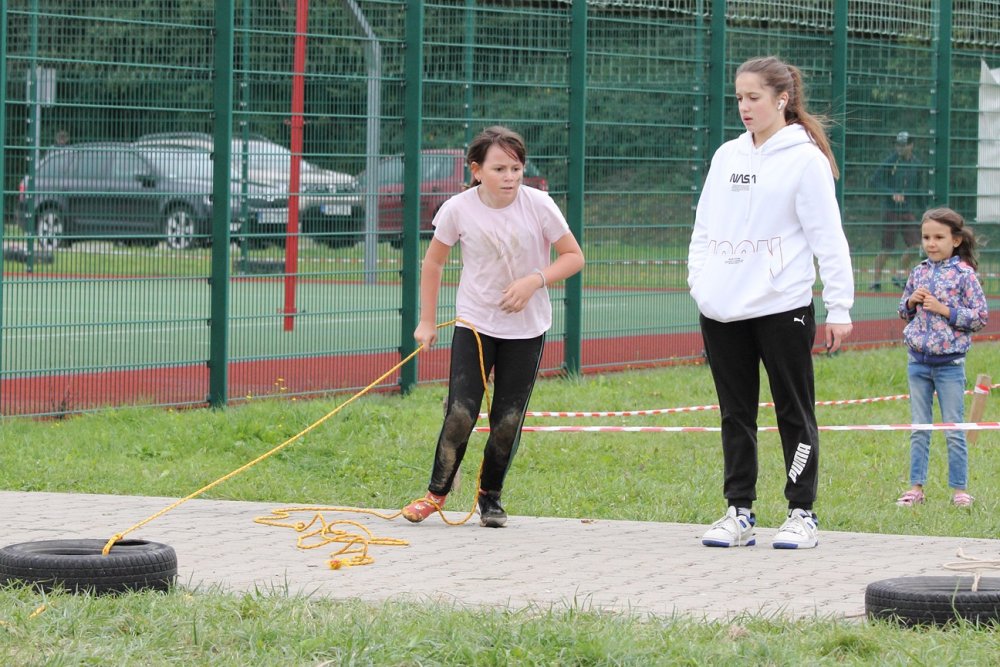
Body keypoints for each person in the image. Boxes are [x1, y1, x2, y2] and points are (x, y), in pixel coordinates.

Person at [687, 56, 855, 550]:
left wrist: (839, 307)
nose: (744, 106)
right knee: (734, 413)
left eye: (753, 97)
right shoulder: (727, 156)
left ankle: (801, 513)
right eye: (739, 97)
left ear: (782, 99)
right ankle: (738, 511)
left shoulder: (805, 160)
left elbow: (829, 238)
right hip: (722, 311)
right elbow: (703, 227)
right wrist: (701, 284)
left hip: (783, 309)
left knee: (793, 411)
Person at [401, 126, 585, 528]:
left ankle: (490, 497)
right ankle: (435, 494)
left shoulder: (539, 205)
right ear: (476, 170)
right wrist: (427, 321)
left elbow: (574, 256)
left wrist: (534, 280)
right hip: (475, 323)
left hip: (526, 330)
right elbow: (433, 262)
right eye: (499, 169)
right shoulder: (458, 209)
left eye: (516, 169)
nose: (510, 177)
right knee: (460, 413)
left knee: (507, 421)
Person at [895, 207, 988, 509]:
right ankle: (915, 488)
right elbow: (903, 311)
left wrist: (945, 310)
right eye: (926, 237)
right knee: (920, 428)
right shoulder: (918, 272)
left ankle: (959, 491)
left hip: (950, 365)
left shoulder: (965, 275)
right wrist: (911, 302)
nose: (931, 243)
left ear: (956, 240)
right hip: (917, 362)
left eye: (938, 237)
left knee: (953, 428)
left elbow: (980, 317)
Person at [868, 131, 926, 291]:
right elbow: (874, 181)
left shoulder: (917, 164)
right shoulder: (890, 162)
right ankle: (875, 281)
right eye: (898, 145)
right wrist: (891, 193)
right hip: (891, 211)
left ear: (911, 145)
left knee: (916, 245)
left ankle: (899, 275)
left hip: (907, 211)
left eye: (904, 145)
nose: (900, 148)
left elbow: (919, 190)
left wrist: (925, 211)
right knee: (887, 248)